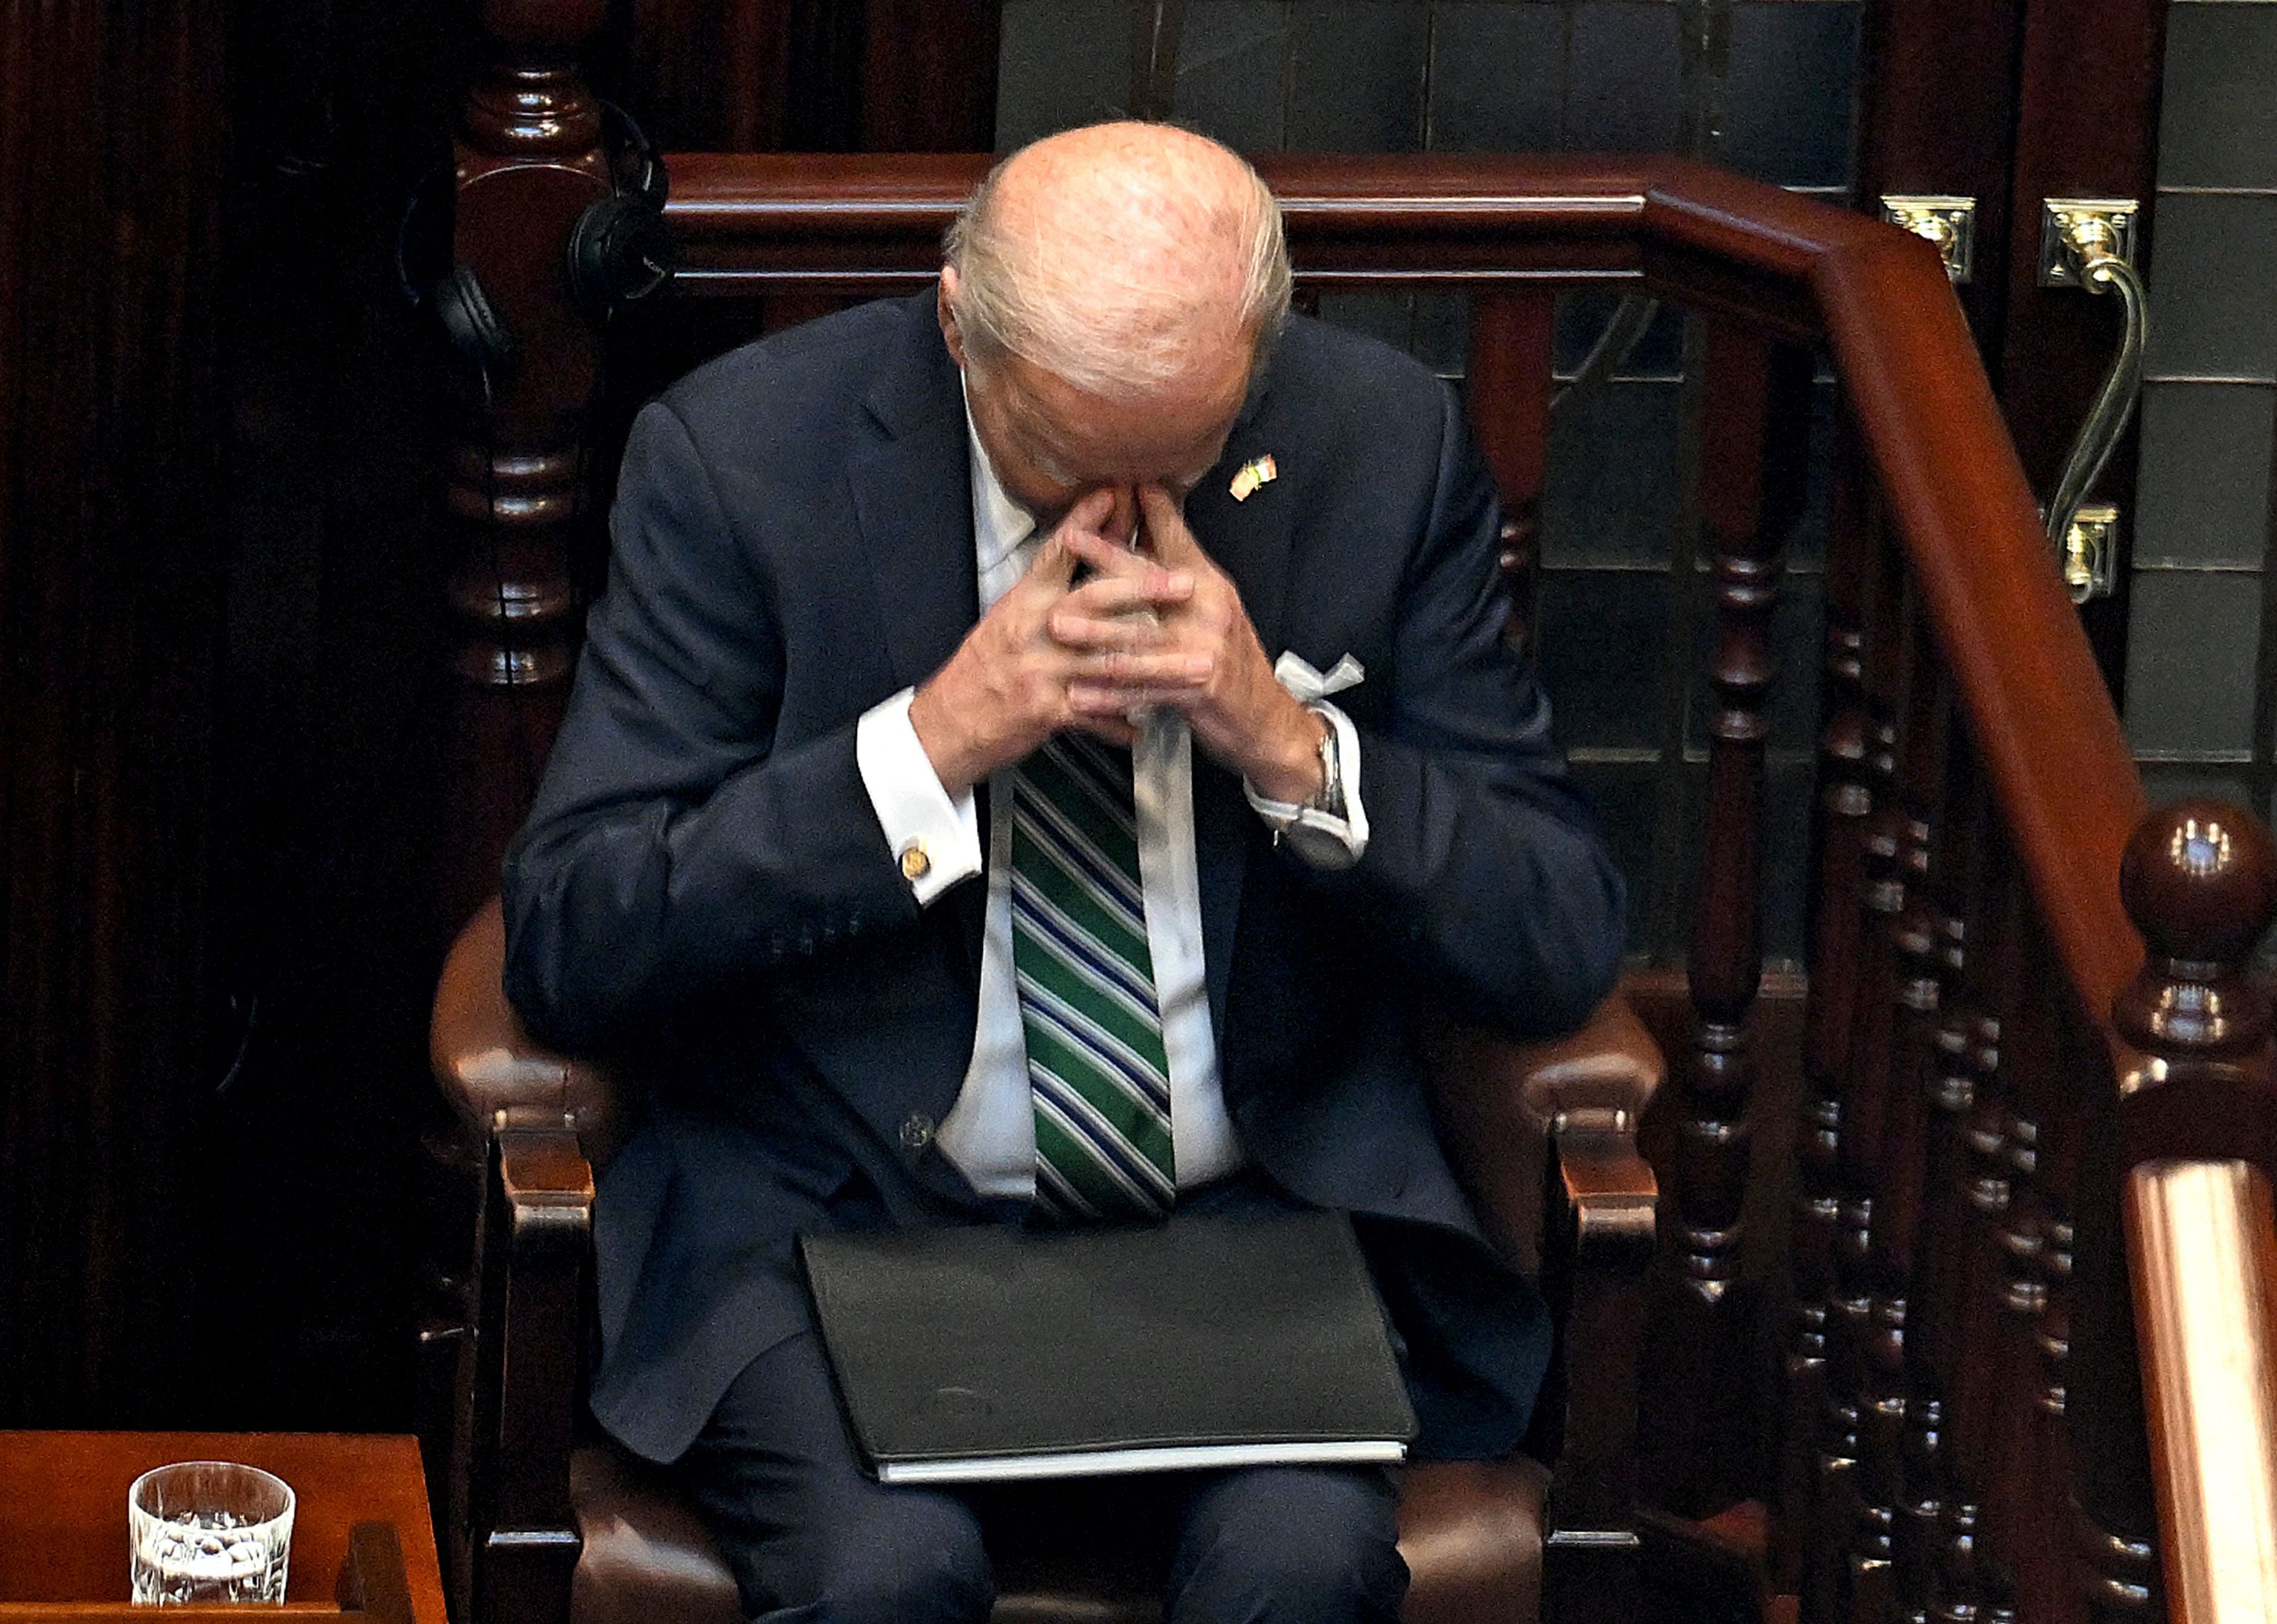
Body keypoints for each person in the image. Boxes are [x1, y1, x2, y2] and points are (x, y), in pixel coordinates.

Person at [502, 121, 1626, 1624]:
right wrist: (927, 749)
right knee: (883, 1579)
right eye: (1060, 465)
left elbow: (1555, 929)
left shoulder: (1373, 447)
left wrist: (1287, 745)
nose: (1114, 523)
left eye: (1180, 461)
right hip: (834, 1213)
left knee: (1299, 1569)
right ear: (957, 324)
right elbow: (575, 929)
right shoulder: (744, 461)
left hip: (1242, 1229)